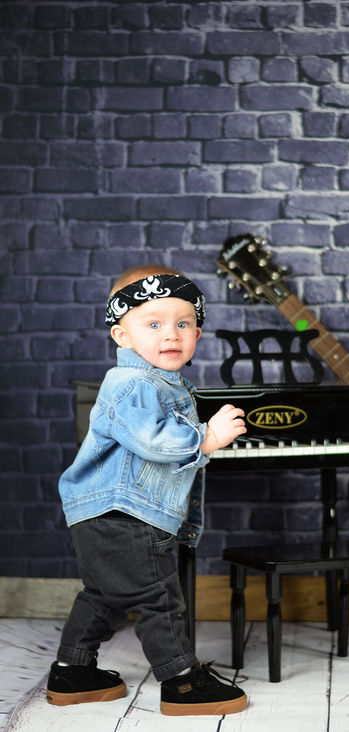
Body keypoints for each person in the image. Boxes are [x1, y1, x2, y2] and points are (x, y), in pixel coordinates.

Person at [46, 264, 248, 716]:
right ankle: (181, 681)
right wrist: (207, 437)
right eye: (153, 324)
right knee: (158, 597)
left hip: (102, 514)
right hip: (126, 515)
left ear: (197, 333)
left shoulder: (161, 383)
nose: (170, 334)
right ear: (122, 336)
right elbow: (153, 441)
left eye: (183, 324)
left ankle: (72, 671)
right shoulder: (133, 383)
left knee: (104, 595)